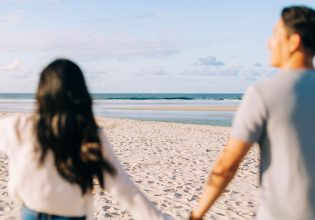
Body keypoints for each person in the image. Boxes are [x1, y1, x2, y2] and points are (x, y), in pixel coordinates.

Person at [0, 59, 170, 220]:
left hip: (31, 215)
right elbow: (126, 191)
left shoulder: (17, 127)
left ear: (42, 93)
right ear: (81, 94)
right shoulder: (89, 136)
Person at [189, 5, 315, 220]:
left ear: (293, 42)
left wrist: (196, 215)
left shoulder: (263, 94)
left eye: (275, 34)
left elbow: (227, 165)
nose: (269, 42)